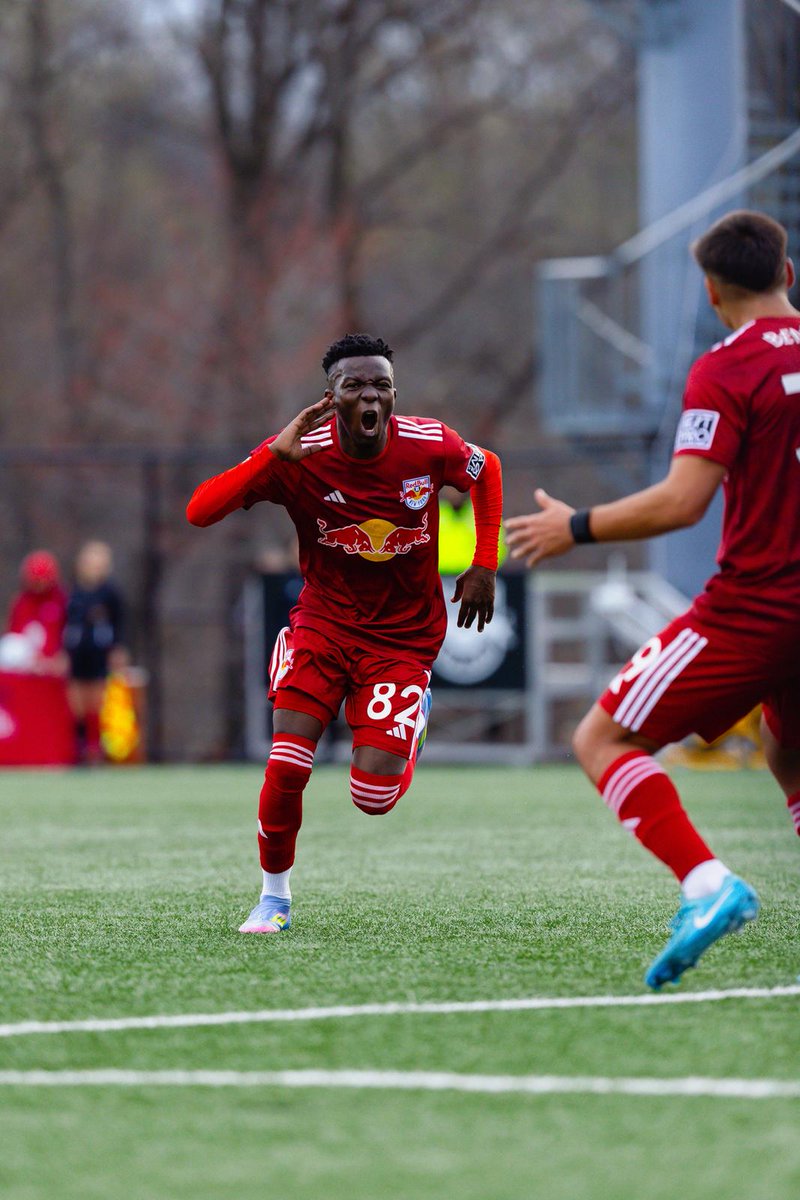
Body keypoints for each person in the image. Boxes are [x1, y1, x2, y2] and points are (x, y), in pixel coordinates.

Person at [505, 210, 800, 989]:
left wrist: (574, 524)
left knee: (601, 740)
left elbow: (681, 502)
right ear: (789, 274)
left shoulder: (728, 368)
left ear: (711, 291)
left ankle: (708, 885)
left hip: (758, 610)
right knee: (787, 748)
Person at [187, 332, 503, 934]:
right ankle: (273, 899)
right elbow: (199, 511)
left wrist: (483, 561)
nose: (370, 396)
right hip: (324, 626)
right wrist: (268, 460)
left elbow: (486, 470)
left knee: (374, 798)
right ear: (330, 397)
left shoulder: (429, 444)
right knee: (286, 765)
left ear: (393, 395)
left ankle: (411, 719)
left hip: (403, 638)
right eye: (354, 385)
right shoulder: (297, 453)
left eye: (381, 385)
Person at [64, 540, 127, 764]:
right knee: (77, 703)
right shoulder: (74, 591)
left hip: (99, 652)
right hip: (77, 652)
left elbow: (119, 622)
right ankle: (79, 749)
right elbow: (66, 622)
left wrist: (118, 649)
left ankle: (96, 749)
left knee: (98, 702)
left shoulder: (110, 593)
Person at [5, 550, 68, 675]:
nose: (39, 585)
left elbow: (65, 631)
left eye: (43, 581)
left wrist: (59, 656)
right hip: (25, 665)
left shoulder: (61, 600)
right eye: (36, 581)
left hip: (54, 665)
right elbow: (15, 634)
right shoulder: (21, 602)